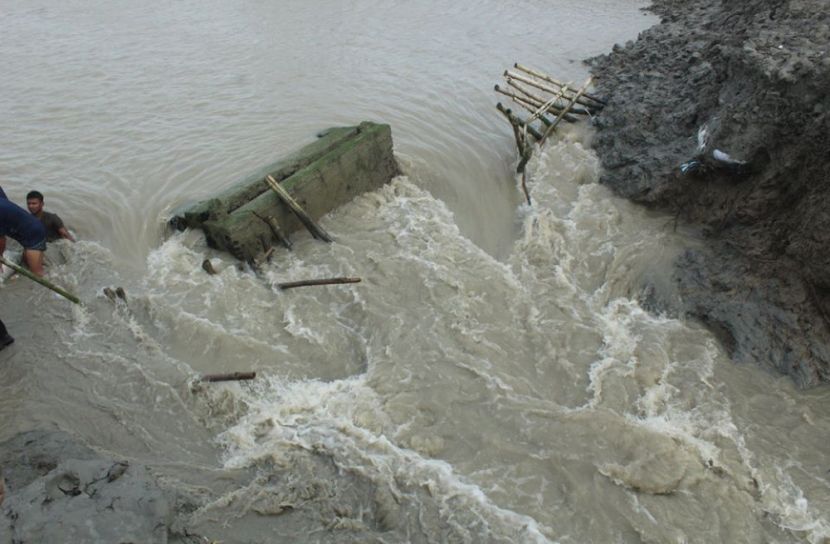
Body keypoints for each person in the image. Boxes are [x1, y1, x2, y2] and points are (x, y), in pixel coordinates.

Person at [0, 186, 46, 276]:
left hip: (34, 235)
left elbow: (1, 240)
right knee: (25, 262)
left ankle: (52, 286)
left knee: (37, 273)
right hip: (26, 228)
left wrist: (0, 258)